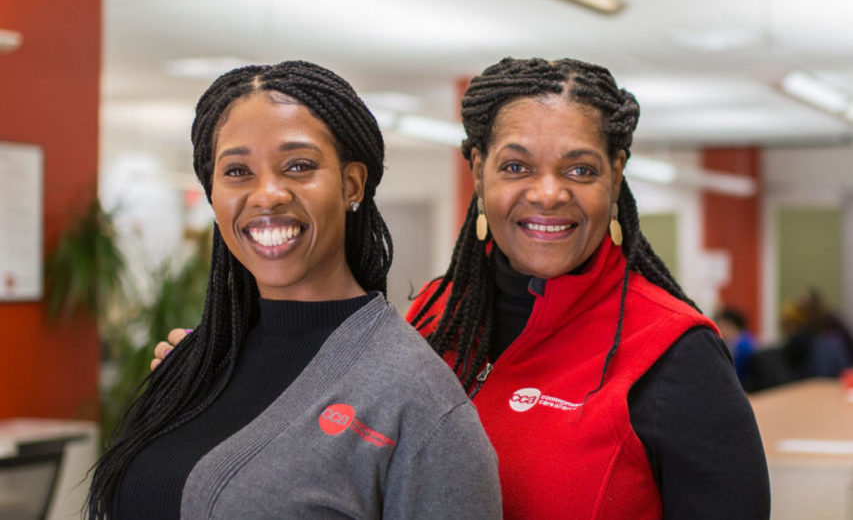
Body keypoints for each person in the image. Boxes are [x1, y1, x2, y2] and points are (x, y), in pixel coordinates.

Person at [155, 57, 770, 519]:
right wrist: (226, 376)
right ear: (477, 170)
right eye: (516, 166)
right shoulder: (433, 319)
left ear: (617, 175)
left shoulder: (672, 353)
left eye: (579, 169)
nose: (547, 192)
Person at [90, 60, 502, 519]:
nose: (267, 194)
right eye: (237, 171)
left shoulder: (417, 402)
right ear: (212, 192)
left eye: (298, 166)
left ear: (351, 185)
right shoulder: (198, 365)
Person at [714, 307, 758, 389]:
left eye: (720, 325)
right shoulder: (748, 337)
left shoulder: (741, 346)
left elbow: (732, 375)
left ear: (729, 325)